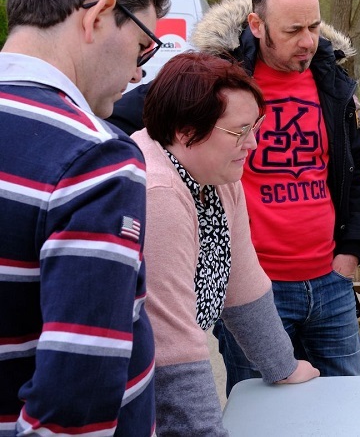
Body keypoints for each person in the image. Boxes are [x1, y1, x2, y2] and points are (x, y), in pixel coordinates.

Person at [0, 0, 168, 436]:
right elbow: (78, 397)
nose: (140, 73)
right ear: (98, 15)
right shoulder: (95, 159)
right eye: (143, 45)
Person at [188, 0, 360, 390]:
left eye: (313, 26)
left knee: (351, 410)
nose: (308, 41)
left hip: (331, 282)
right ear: (257, 25)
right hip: (252, 293)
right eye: (293, 30)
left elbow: (354, 172)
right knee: (263, 418)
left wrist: (351, 252)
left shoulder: (332, 82)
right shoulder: (217, 83)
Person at [134, 52, 319, 435]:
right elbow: (172, 344)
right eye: (239, 131)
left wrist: (281, 365)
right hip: (126, 389)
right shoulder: (159, 193)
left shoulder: (220, 180)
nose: (252, 143)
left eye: (256, 127)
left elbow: (243, 283)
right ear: (186, 131)